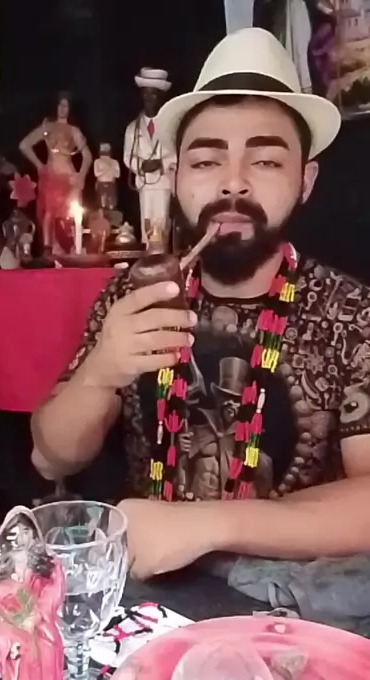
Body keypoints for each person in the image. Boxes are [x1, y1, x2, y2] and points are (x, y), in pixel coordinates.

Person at [31, 27, 370, 581]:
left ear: (305, 181)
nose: (233, 185)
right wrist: (100, 373)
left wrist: (205, 526)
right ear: (175, 176)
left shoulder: (351, 312)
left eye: (265, 162)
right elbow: (51, 457)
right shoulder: (136, 294)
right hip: (148, 595)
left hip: (290, 604)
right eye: (207, 162)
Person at [19, 91, 92, 253]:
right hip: (51, 178)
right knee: (49, 214)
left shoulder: (73, 131)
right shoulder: (48, 127)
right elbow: (24, 145)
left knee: (69, 216)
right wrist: (39, 165)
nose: (62, 109)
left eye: (66, 106)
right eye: (60, 105)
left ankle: (70, 250)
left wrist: (80, 177)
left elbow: (87, 156)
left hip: (69, 179)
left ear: (70, 109)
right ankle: (48, 250)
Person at [123, 68, 176, 245]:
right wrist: (140, 166)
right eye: (145, 94)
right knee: (146, 223)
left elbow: (177, 153)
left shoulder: (171, 126)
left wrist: (161, 164)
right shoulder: (132, 128)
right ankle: (147, 256)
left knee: (162, 223)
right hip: (145, 183)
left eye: (153, 94)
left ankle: (162, 256)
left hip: (163, 182)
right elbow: (127, 155)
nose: (149, 99)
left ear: (161, 96)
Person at [94, 142, 120, 212]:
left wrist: (109, 170)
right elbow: (96, 173)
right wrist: (106, 170)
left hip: (111, 184)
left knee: (111, 203)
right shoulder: (97, 161)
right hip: (101, 184)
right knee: (102, 203)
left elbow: (117, 175)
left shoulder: (114, 162)